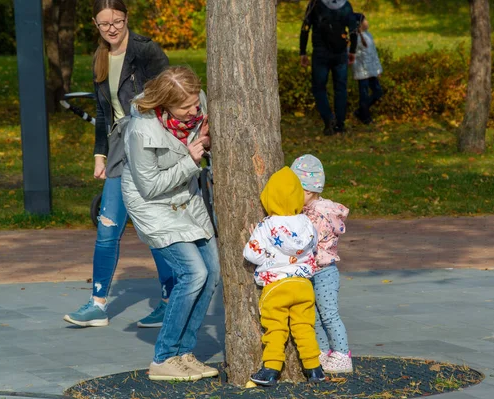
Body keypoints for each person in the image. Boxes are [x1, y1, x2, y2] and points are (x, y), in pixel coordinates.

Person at [64, 0, 172, 328]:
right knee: (107, 225)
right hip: (116, 148)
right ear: (96, 25)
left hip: (148, 144)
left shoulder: (146, 51)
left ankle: (171, 298)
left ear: (126, 19)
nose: (112, 29)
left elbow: (170, 96)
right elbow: (102, 111)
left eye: (117, 21)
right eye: (104, 24)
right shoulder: (100, 57)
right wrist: (99, 154)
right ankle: (98, 304)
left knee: (150, 226)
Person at [122, 66, 220, 382]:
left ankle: (183, 352)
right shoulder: (142, 131)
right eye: (187, 107)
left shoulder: (196, 103)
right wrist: (191, 159)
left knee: (213, 271)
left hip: (185, 198)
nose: (195, 109)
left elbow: (199, 130)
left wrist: (205, 140)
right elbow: (149, 187)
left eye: (195, 102)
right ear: (164, 105)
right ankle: (164, 357)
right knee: (193, 273)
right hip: (152, 205)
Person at [244, 166, 325, 387]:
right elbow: (314, 246)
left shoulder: (267, 224)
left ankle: (270, 370)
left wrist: (257, 239)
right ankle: (314, 369)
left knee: (275, 328)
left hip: (276, 286)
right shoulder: (307, 223)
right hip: (303, 285)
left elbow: (251, 254)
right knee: (304, 327)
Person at [291, 154, 353, 374]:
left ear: (307, 191)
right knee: (313, 314)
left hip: (324, 271)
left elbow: (308, 241)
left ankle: (341, 354)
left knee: (328, 313)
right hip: (310, 271)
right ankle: (323, 352)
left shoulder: (319, 213)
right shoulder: (307, 210)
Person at [300, 0, 358, 136]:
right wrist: (352, 51)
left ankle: (328, 119)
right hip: (340, 53)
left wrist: (302, 51)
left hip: (320, 53)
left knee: (319, 88)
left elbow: (305, 28)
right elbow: (353, 30)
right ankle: (340, 124)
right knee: (341, 89)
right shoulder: (346, 5)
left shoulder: (315, 4)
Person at [352, 13, 383, 124]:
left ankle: (360, 111)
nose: (367, 22)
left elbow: (374, 55)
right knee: (364, 95)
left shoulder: (368, 35)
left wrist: (378, 70)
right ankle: (365, 117)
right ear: (359, 24)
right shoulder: (355, 38)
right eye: (365, 20)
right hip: (362, 71)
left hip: (371, 71)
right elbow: (350, 54)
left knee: (378, 92)